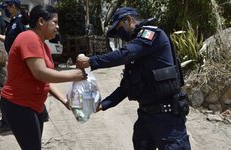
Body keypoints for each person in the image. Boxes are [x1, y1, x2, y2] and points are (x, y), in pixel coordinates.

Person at [76, 7, 191, 150]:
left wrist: (91, 61)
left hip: (167, 118)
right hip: (145, 117)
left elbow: (124, 54)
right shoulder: (137, 50)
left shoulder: (152, 35)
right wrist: (103, 105)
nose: (120, 34)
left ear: (129, 20)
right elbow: (125, 87)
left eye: (119, 29)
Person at [0, 4, 87, 149]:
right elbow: (40, 73)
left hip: (33, 105)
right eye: (55, 22)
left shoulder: (43, 45)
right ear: (41, 22)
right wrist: (76, 74)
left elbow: (45, 79)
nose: (58, 27)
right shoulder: (28, 37)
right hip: (18, 104)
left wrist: (64, 100)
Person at [0, 0, 49, 131]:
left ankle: (7, 122)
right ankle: (41, 114)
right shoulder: (13, 21)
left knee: (10, 91)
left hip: (22, 62)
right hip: (15, 61)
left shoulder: (22, 21)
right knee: (22, 88)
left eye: (7, 7)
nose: (5, 10)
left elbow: (28, 39)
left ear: (13, 7)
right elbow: (10, 39)